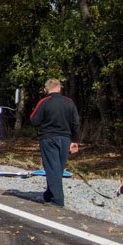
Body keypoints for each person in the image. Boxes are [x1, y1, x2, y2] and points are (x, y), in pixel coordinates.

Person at [29, 78, 80, 207]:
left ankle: (58, 200)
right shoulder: (69, 102)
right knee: (58, 168)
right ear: (60, 88)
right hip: (65, 138)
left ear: (45, 90)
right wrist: (75, 140)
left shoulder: (44, 102)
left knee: (52, 168)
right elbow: (76, 122)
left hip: (48, 138)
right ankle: (49, 194)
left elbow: (34, 120)